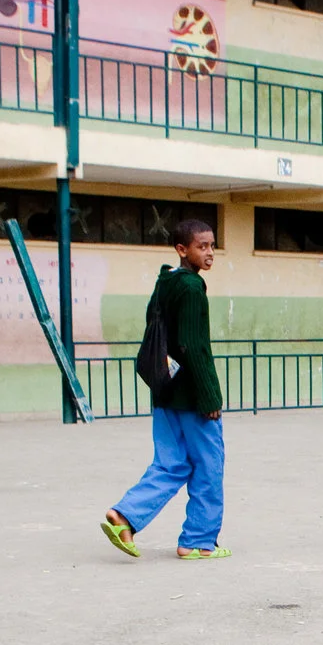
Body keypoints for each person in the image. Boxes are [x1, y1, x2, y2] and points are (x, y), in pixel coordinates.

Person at [102, 219, 228, 560]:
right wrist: (210, 398)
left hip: (165, 390)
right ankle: (198, 541)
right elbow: (192, 345)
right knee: (209, 464)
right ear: (182, 249)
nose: (209, 253)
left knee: (171, 463)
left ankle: (125, 514)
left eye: (212, 245)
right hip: (191, 395)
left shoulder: (166, 282)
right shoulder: (190, 288)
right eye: (202, 246)